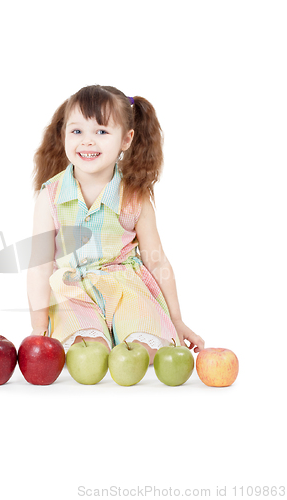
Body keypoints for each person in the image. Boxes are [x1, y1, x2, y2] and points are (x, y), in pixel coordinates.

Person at [27, 85, 204, 365]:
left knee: (146, 353)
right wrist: (39, 327)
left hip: (125, 288)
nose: (87, 141)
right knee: (85, 355)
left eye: (101, 131)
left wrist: (177, 319)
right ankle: (98, 336)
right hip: (73, 293)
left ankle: (130, 335)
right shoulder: (51, 195)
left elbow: (156, 261)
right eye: (77, 131)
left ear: (126, 139)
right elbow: (39, 266)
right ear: (64, 134)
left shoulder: (134, 195)